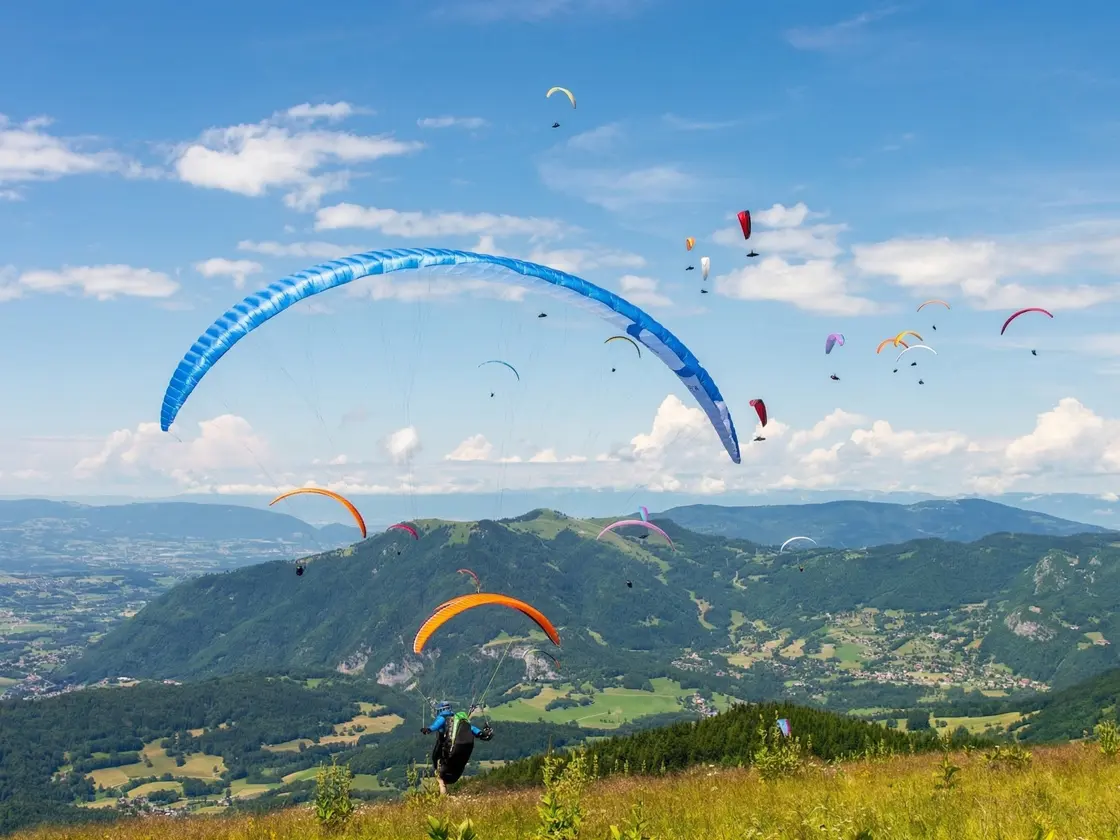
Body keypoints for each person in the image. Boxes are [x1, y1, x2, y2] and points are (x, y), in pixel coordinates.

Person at [421, 701, 493, 795]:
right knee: (450, 772)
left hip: (449, 753)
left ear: (440, 710)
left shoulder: (442, 718)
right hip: (463, 754)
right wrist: (484, 733)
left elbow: (436, 725)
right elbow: (475, 730)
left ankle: (443, 797)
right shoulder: (460, 722)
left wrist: (428, 729)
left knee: (440, 777)